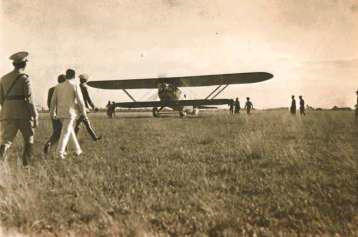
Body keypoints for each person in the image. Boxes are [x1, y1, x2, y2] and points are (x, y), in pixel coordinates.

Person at [0, 51, 39, 166]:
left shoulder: (4, 78)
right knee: (29, 139)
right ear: (24, 64)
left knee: (6, 141)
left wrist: (8, 108)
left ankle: (0, 163)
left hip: (7, 113)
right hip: (23, 114)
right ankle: (26, 165)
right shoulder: (25, 78)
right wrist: (35, 115)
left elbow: (1, 99)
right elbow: (29, 99)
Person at [50, 69, 86, 159]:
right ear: (74, 76)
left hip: (60, 113)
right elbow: (80, 100)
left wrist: (52, 112)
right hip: (70, 113)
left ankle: (78, 150)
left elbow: (53, 101)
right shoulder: (75, 85)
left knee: (69, 131)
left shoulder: (58, 86)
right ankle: (59, 153)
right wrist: (84, 112)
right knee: (66, 132)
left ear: (66, 76)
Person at [74, 74, 102, 141]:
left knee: (86, 123)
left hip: (78, 107)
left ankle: (95, 138)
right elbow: (88, 98)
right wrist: (93, 107)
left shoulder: (77, 87)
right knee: (79, 124)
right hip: (84, 108)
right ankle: (74, 140)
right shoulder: (84, 87)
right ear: (85, 80)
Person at [43, 74, 66, 155]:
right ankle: (53, 145)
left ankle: (51, 145)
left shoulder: (51, 89)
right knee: (63, 132)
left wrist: (52, 112)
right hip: (63, 113)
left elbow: (48, 102)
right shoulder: (64, 90)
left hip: (53, 113)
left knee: (56, 131)